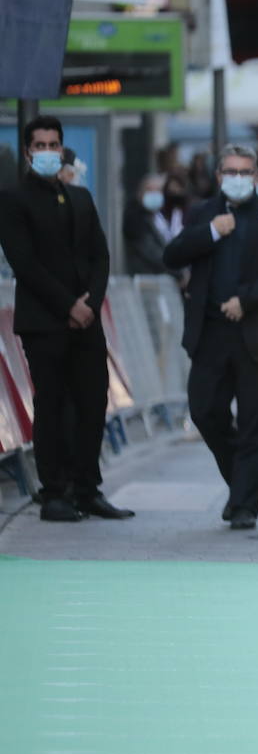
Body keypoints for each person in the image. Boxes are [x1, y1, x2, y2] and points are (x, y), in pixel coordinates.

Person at [0, 115, 134, 522]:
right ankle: (54, 492)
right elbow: (25, 263)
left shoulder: (80, 198)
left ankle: (87, 488)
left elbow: (100, 255)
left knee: (93, 404)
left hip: (86, 322)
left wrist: (90, 303)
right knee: (52, 406)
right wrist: (68, 306)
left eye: (52, 144)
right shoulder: (13, 200)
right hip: (45, 322)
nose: (47, 152)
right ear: (27, 153)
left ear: (62, 148)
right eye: (39, 146)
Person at [163, 144, 258, 531]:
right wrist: (209, 233)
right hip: (210, 334)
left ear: (255, 176)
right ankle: (242, 480)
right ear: (218, 175)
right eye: (229, 171)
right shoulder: (202, 213)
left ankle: (244, 505)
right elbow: (171, 255)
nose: (237, 178)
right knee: (205, 410)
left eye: (244, 171)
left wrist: (247, 300)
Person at [124, 173, 177, 275]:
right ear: (140, 193)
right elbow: (151, 252)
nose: (154, 194)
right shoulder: (135, 217)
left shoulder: (157, 216)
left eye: (158, 191)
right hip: (146, 279)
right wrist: (177, 272)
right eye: (149, 190)